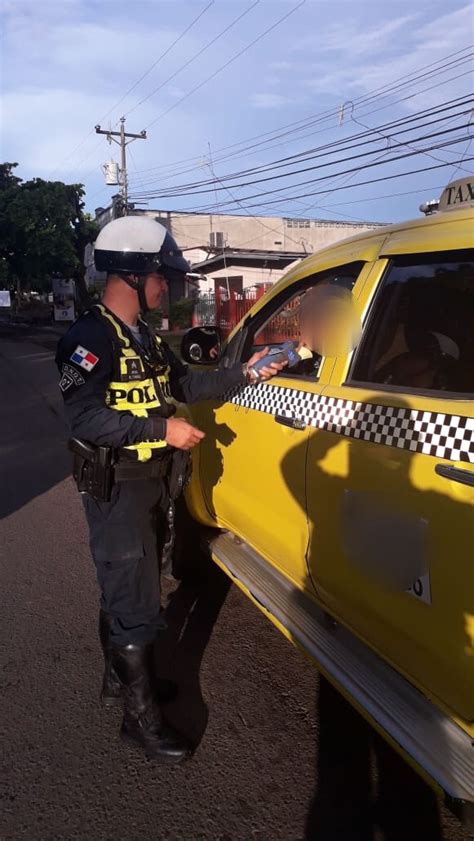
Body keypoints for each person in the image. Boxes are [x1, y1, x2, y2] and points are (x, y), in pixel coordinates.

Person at [55, 215, 283, 764]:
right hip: (118, 489)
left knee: (131, 583)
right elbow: (84, 417)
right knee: (131, 592)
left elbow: (188, 384)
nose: (168, 287)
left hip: (152, 484)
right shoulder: (87, 338)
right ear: (132, 275)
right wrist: (164, 429)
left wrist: (247, 373)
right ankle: (139, 721)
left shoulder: (145, 339)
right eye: (162, 277)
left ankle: (121, 681)